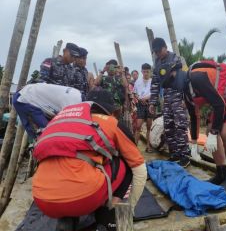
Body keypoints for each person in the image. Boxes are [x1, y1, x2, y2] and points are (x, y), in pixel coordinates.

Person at [32, 90, 147, 228]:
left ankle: (70, 218)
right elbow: (140, 169)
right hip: (84, 197)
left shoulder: (58, 121)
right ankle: (113, 211)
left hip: (42, 198)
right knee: (126, 162)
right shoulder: (110, 122)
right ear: (109, 110)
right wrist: (130, 207)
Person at [184, 60, 226, 191]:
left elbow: (219, 105)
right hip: (222, 97)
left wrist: (215, 133)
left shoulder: (196, 79)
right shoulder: (186, 94)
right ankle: (221, 173)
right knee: (210, 130)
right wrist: (193, 142)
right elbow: (194, 117)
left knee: (225, 133)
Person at [149, 37, 190, 167]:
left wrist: (185, 98)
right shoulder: (156, 63)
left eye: (158, 51)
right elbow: (155, 84)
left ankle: (185, 156)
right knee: (168, 127)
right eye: (155, 52)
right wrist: (152, 102)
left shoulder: (177, 59)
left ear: (165, 48)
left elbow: (186, 79)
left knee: (180, 126)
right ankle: (175, 154)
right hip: (167, 98)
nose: (157, 54)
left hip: (179, 96)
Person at [12, 83, 82, 139]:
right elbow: (68, 125)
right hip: (24, 98)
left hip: (35, 95)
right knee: (46, 132)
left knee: (51, 131)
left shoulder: (77, 93)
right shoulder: (72, 104)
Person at [134, 63, 153, 152]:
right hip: (140, 105)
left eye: (147, 72)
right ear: (141, 71)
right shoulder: (137, 82)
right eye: (144, 71)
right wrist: (139, 99)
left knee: (149, 126)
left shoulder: (153, 81)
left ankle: (148, 146)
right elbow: (134, 93)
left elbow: (154, 93)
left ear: (150, 71)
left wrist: (147, 98)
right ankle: (135, 147)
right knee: (138, 126)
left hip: (150, 105)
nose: (145, 73)